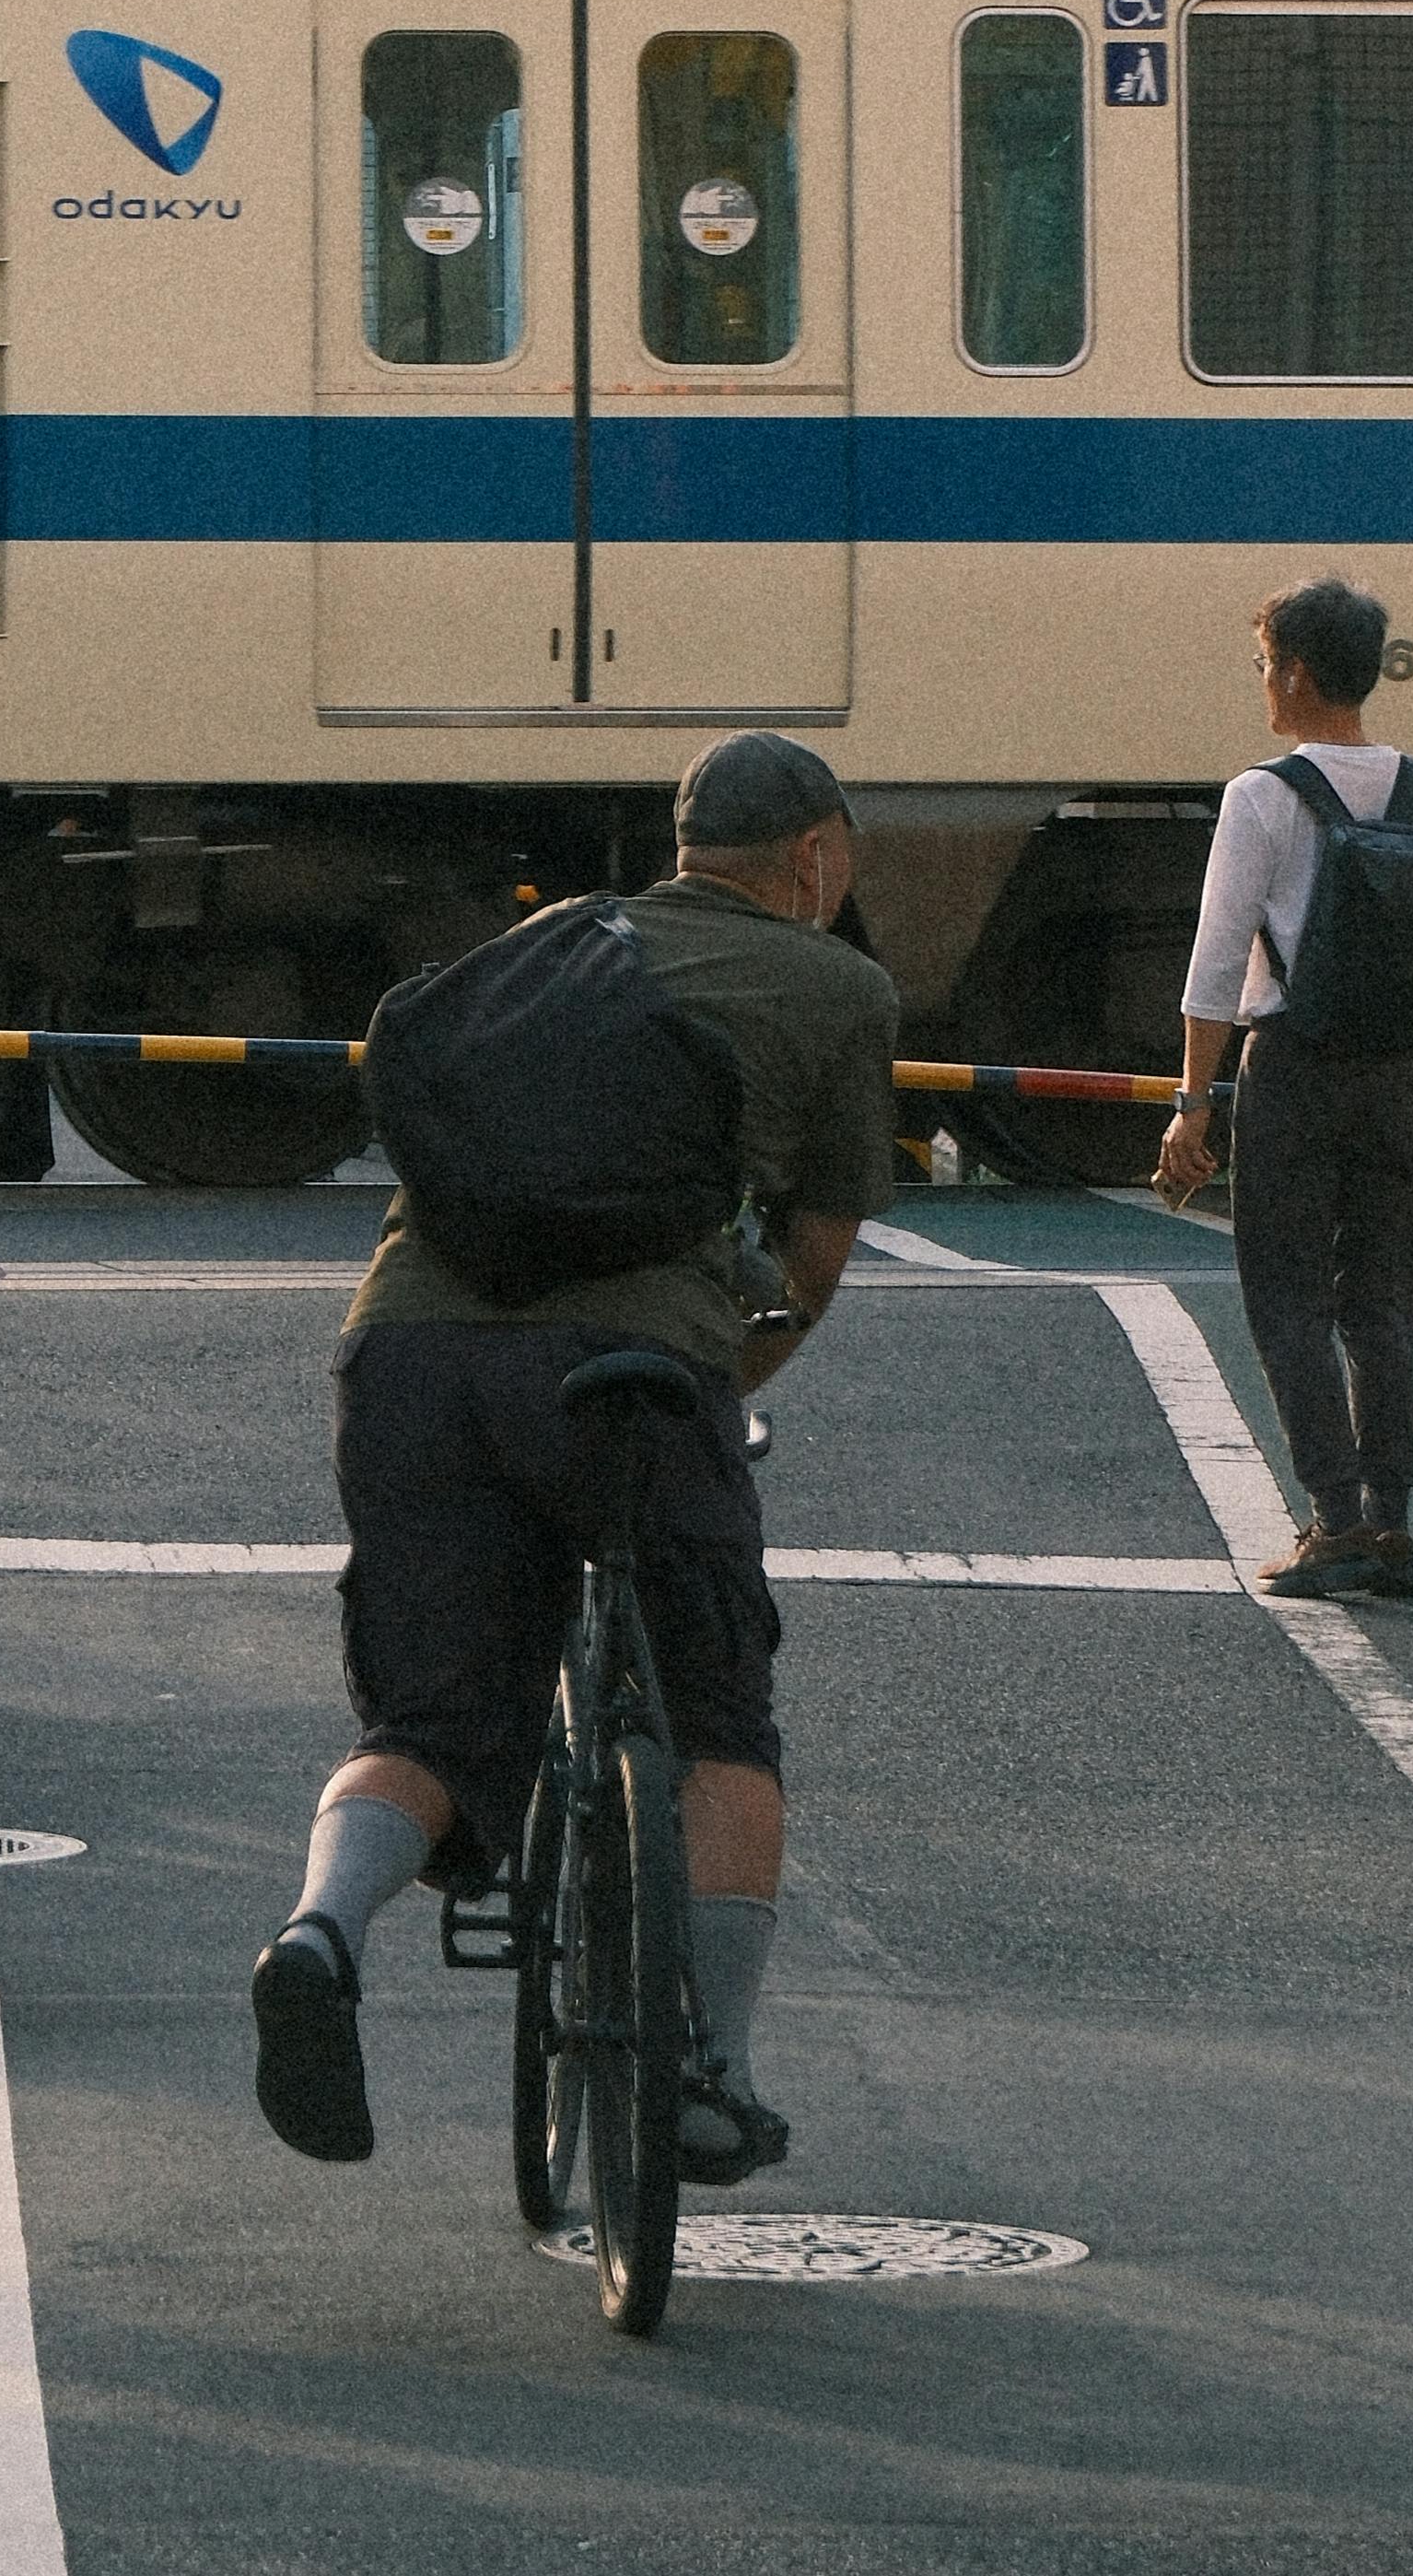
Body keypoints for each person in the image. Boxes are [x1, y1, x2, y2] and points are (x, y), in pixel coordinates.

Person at [249, 732, 900, 2182]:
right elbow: (813, 1249)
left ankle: (317, 1934)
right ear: (811, 857)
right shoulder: (837, 987)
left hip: (407, 1354)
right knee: (719, 1714)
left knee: (428, 1719)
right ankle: (705, 2072)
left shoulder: (542, 944)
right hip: (624, 1379)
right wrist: (717, 1383)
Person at [1153, 576, 1413, 1604]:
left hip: (1292, 1070)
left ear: (1295, 670)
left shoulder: (1263, 793)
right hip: (1392, 1076)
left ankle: (1332, 1520)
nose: (1262, 682)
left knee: (1287, 1302)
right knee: (1383, 1304)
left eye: (1264, 663)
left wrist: (1191, 1100)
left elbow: (1216, 963)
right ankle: (1390, 1524)